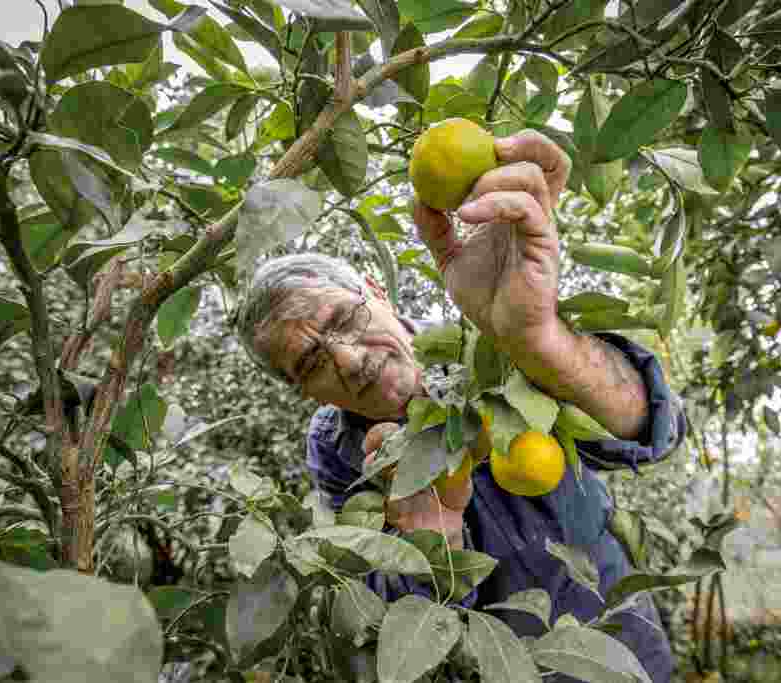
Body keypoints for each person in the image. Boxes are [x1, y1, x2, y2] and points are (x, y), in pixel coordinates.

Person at [238, 129, 687, 682]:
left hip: (621, 652)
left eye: (344, 320)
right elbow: (389, 607)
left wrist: (541, 340)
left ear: (377, 292)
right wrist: (432, 538)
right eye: (311, 363)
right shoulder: (338, 452)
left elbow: (647, 430)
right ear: (301, 391)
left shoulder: (487, 343)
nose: (349, 361)